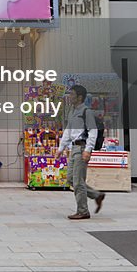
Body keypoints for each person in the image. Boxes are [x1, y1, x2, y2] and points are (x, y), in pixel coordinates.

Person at [57, 84, 104, 220]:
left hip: (82, 148)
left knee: (78, 181)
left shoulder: (86, 112)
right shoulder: (72, 111)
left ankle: (83, 211)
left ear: (80, 97)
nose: (70, 97)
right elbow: (68, 131)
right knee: (71, 179)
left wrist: (88, 150)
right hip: (73, 149)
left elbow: (93, 131)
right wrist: (61, 148)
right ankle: (96, 195)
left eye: (72, 94)